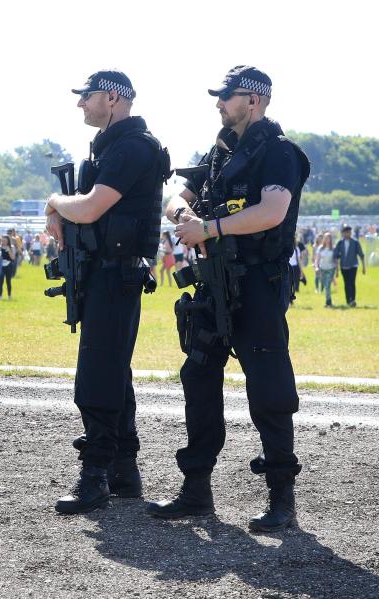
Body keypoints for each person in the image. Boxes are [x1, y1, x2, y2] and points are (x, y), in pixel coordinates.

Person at [152, 66, 311, 532]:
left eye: (227, 96)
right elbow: (175, 197)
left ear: (254, 101)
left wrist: (210, 228)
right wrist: (185, 214)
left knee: (269, 388)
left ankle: (282, 498)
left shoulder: (279, 152)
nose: (219, 103)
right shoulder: (219, 153)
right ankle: (196, 490)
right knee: (198, 379)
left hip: (258, 283)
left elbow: (272, 210)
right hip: (212, 282)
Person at [46, 70, 168, 514]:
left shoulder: (134, 146)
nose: (81, 104)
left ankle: (95, 474)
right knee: (113, 371)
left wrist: (55, 203)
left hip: (117, 273)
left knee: (97, 373)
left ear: (113, 99)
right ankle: (123, 471)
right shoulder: (114, 146)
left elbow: (93, 205)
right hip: (107, 271)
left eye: (88, 96)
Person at [335, 225, 366, 307]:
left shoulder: (355, 242)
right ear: (343, 233)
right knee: (346, 283)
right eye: (345, 232)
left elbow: (361, 255)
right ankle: (348, 300)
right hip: (344, 266)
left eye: (349, 232)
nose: (347, 234)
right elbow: (336, 256)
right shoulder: (340, 243)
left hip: (353, 266)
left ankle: (353, 300)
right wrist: (337, 269)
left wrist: (363, 267)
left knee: (352, 283)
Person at [315, 232, 337, 307]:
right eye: (326, 238)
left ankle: (328, 302)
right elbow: (317, 259)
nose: (327, 239)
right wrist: (316, 267)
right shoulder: (320, 248)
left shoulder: (333, 248)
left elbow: (335, 260)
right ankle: (328, 301)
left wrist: (336, 271)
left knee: (327, 285)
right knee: (324, 285)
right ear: (324, 239)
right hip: (322, 269)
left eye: (329, 238)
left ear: (331, 239)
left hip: (331, 268)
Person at [0, 234, 16, 300]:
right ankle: (0, 296)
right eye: (2, 240)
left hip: (9, 266)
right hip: (1, 266)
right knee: (0, 282)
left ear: (8, 241)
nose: (3, 242)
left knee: (8, 281)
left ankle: (9, 296)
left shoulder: (11, 247)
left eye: (5, 240)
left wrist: (9, 250)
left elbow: (13, 258)